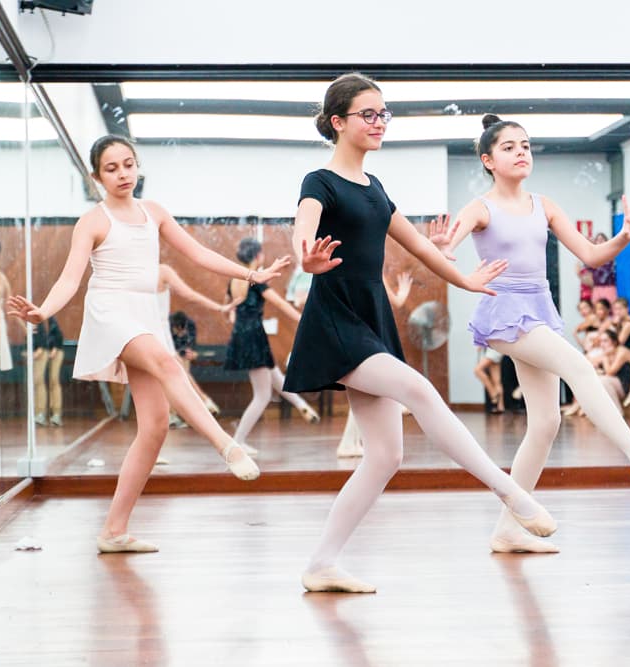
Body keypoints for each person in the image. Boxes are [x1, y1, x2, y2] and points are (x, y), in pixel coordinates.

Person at [284, 73, 558, 593]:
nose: (379, 122)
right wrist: (307, 256)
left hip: (371, 314)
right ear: (338, 122)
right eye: (369, 114)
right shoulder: (318, 182)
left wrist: (465, 279)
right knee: (419, 389)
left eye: (384, 113)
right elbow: (304, 227)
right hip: (337, 316)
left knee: (386, 454)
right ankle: (509, 491)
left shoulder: (375, 188)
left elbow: (417, 244)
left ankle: (321, 563)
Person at [7, 135, 290, 554]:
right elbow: (71, 278)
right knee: (168, 364)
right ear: (95, 176)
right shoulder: (93, 221)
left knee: (155, 426)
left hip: (144, 314)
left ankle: (114, 531)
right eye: (111, 168)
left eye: (128, 164)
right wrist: (44, 311)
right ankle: (226, 446)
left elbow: (196, 254)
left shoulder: (154, 212)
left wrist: (252, 276)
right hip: (109, 312)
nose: (123, 174)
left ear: (137, 166)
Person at [430, 113, 630, 553]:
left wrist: (626, 235)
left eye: (525, 145)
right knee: (579, 366)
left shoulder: (544, 205)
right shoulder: (480, 208)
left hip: (539, 308)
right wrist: (442, 250)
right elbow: (445, 254)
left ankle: (509, 529)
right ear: (488, 160)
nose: (521, 152)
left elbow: (589, 253)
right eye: (509, 147)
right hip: (504, 308)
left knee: (546, 422)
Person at [225, 236, 320, 454]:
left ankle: (301, 405)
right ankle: (237, 441)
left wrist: (239, 325)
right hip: (253, 335)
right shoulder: (256, 280)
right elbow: (277, 302)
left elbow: (230, 309)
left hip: (243, 333)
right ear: (258, 256)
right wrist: (302, 319)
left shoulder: (234, 279)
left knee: (275, 376)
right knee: (263, 395)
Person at [333, 271, 413, 458]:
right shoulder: (370, 267)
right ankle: (350, 443)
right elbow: (397, 301)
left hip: (359, 334)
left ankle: (350, 443)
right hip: (369, 335)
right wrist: (403, 290)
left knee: (363, 392)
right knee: (368, 390)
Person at [157, 263, 235, 426]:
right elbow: (189, 294)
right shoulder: (160, 271)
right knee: (175, 372)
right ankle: (198, 405)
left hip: (147, 331)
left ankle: (195, 407)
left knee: (173, 372)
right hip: (154, 330)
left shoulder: (150, 271)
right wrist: (220, 307)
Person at [32, 315, 64, 426]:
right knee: (39, 382)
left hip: (53, 351)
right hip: (46, 352)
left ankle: (55, 414)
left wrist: (55, 348)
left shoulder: (50, 320)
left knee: (53, 381)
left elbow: (57, 334)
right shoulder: (38, 323)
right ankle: (42, 413)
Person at [594, 328, 630, 413]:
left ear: (614, 341)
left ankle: (617, 412)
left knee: (603, 380)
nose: (602, 344)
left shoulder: (622, 351)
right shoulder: (608, 353)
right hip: (616, 384)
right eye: (600, 341)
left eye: (605, 341)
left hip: (628, 385)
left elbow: (610, 372)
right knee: (595, 378)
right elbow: (592, 362)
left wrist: (605, 358)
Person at [473, 347, 505, 414]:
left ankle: (493, 393)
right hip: (496, 349)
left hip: (493, 351)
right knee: (497, 381)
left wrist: (481, 344)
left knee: (477, 370)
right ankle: (500, 406)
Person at [589, 232, 618, 303]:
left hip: (609, 287)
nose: (600, 242)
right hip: (597, 287)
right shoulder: (592, 258)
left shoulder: (612, 256)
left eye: (602, 239)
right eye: (597, 240)